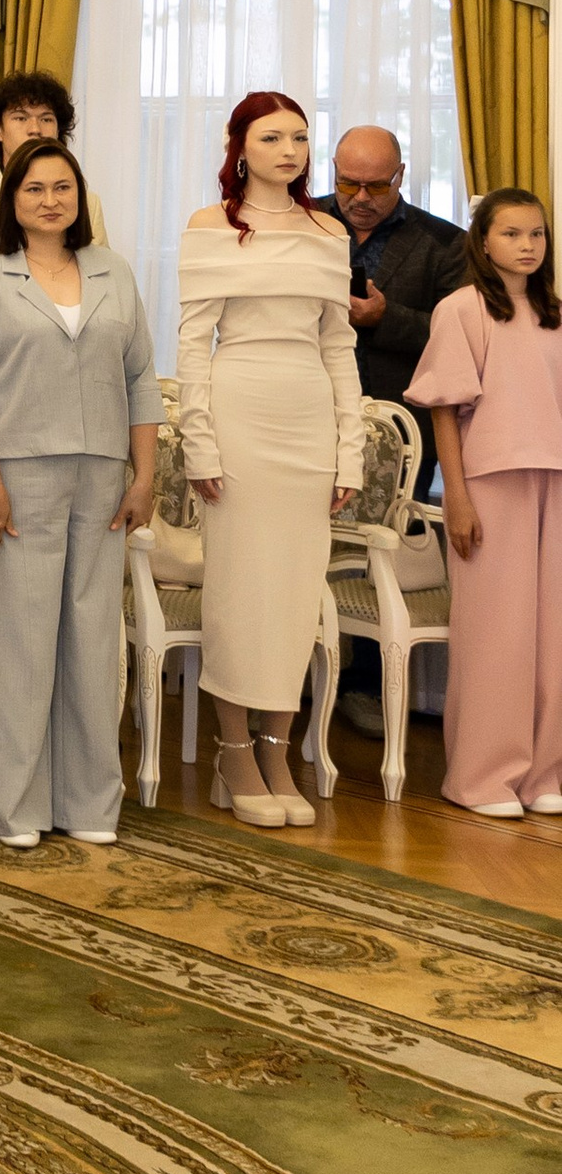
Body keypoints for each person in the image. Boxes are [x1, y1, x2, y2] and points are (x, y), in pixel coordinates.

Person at [0, 141, 161, 848]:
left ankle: (91, 807)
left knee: (93, 644)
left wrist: (145, 475)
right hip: (16, 474)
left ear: (80, 196)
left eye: (62, 186)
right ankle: (21, 809)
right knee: (20, 646)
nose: (49, 199)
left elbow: (140, 381)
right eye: (33, 188)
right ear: (11, 198)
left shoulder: (112, 272)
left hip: (102, 478)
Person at [177, 92, 363, 834]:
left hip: (309, 417)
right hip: (239, 408)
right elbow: (193, 345)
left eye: (299, 137)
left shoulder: (327, 231)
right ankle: (232, 751)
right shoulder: (210, 227)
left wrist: (349, 451)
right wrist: (199, 443)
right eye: (272, 137)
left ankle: (277, 750)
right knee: (239, 590)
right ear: (240, 147)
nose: (289, 150)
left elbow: (338, 345)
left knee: (292, 594)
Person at [407, 189, 562, 819]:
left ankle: (544, 772)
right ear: (483, 241)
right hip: (490, 483)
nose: (527, 246)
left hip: (555, 480)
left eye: (537, 235)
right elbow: (444, 409)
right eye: (513, 234)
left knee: (552, 634)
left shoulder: (555, 312)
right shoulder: (461, 310)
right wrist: (458, 500)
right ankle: (480, 776)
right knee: (497, 633)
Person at [313, 126, 469, 728]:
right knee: (300, 543)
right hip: (309, 409)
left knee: (385, 549)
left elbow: (455, 336)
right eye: (347, 181)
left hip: (403, 429)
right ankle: (292, 677)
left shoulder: (442, 242)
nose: (359, 197)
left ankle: (367, 686)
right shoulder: (304, 225)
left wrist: (386, 318)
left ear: (400, 177)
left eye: (375, 185)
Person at [0, 69, 105, 335]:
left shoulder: (85, 203)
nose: (35, 129)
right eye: (20, 117)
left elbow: (103, 295)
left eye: (46, 119)